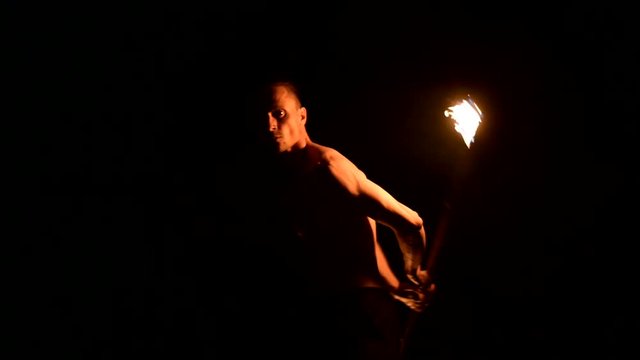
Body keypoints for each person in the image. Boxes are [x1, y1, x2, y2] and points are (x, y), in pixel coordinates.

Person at [249, 78, 437, 360]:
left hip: (361, 320)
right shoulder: (281, 181)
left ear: (302, 116)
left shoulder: (330, 169)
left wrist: (413, 270)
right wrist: (397, 287)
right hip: (326, 316)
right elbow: (353, 245)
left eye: (280, 113)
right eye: (262, 116)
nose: (269, 126)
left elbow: (410, 223)